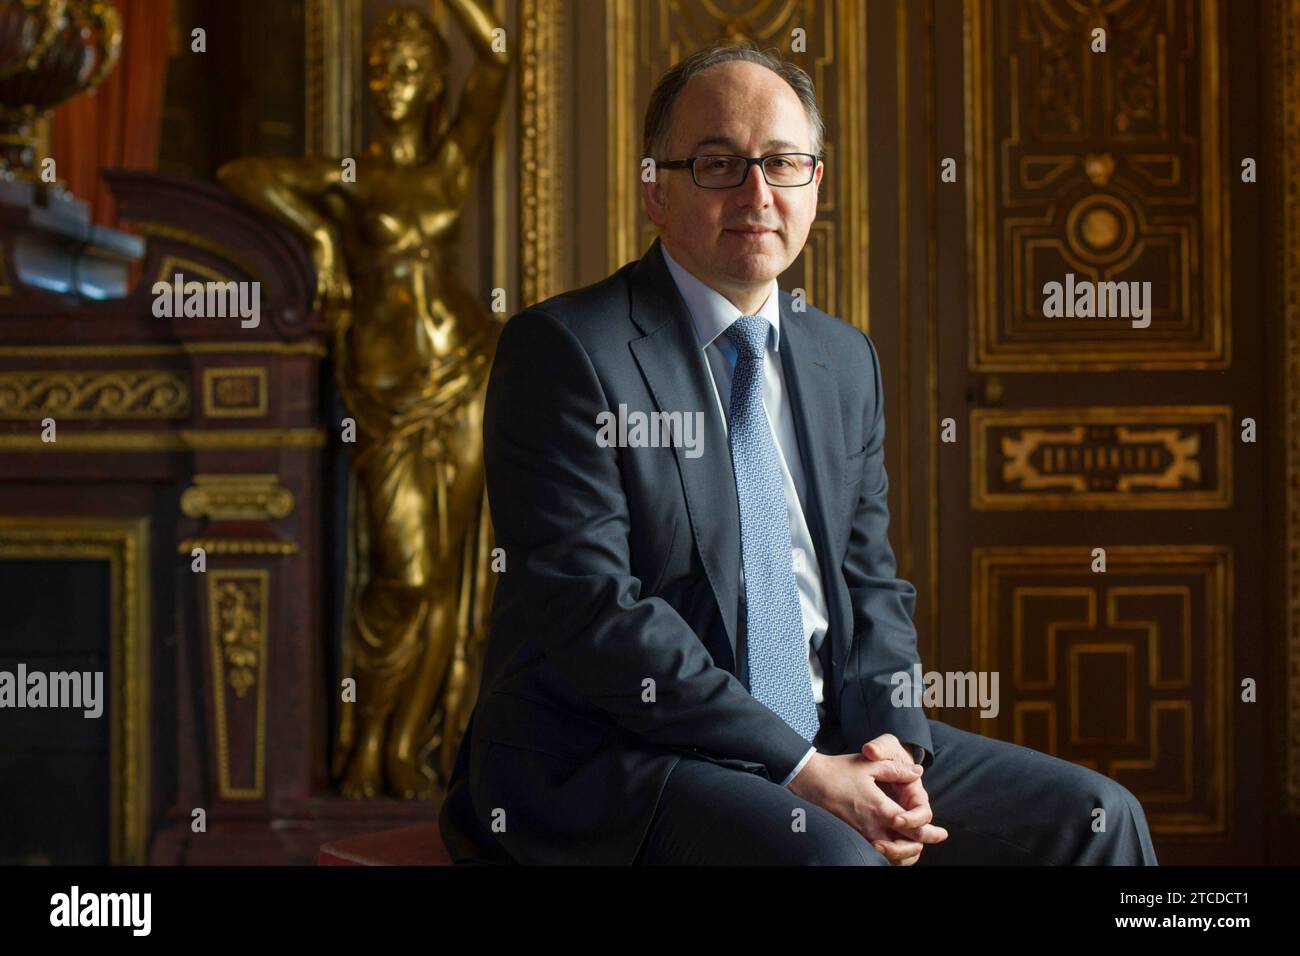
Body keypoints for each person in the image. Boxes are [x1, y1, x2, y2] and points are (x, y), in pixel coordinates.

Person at [438, 42, 1158, 866]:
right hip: (620, 755)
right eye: (718, 164)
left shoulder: (842, 361)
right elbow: (595, 612)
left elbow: (870, 586)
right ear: (655, 190)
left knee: (1100, 818)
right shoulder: (567, 351)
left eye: (782, 164)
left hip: (829, 736)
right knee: (832, 860)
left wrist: (895, 752)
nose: (756, 194)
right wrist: (801, 770)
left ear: (815, 183)